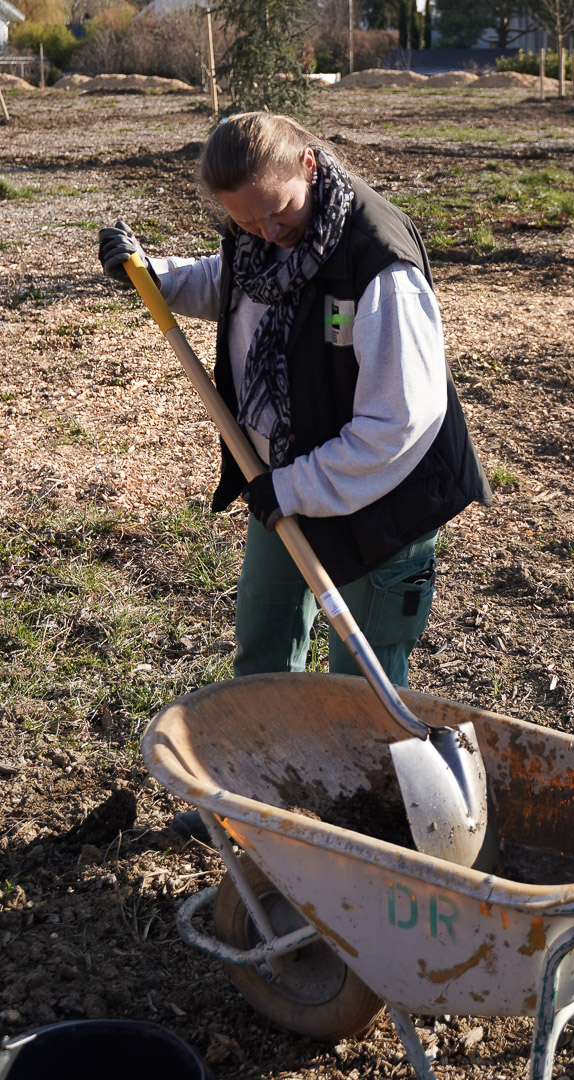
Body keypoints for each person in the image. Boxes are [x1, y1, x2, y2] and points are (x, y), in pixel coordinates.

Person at [99, 111, 492, 841]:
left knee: (363, 684)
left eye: (277, 214)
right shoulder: (257, 238)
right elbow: (232, 283)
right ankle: (256, 801)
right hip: (283, 484)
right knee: (264, 646)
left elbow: (400, 425)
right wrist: (153, 278)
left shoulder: (378, 262)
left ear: (309, 166)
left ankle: (366, 830)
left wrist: (297, 487)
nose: (266, 235)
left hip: (385, 505)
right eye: (245, 224)